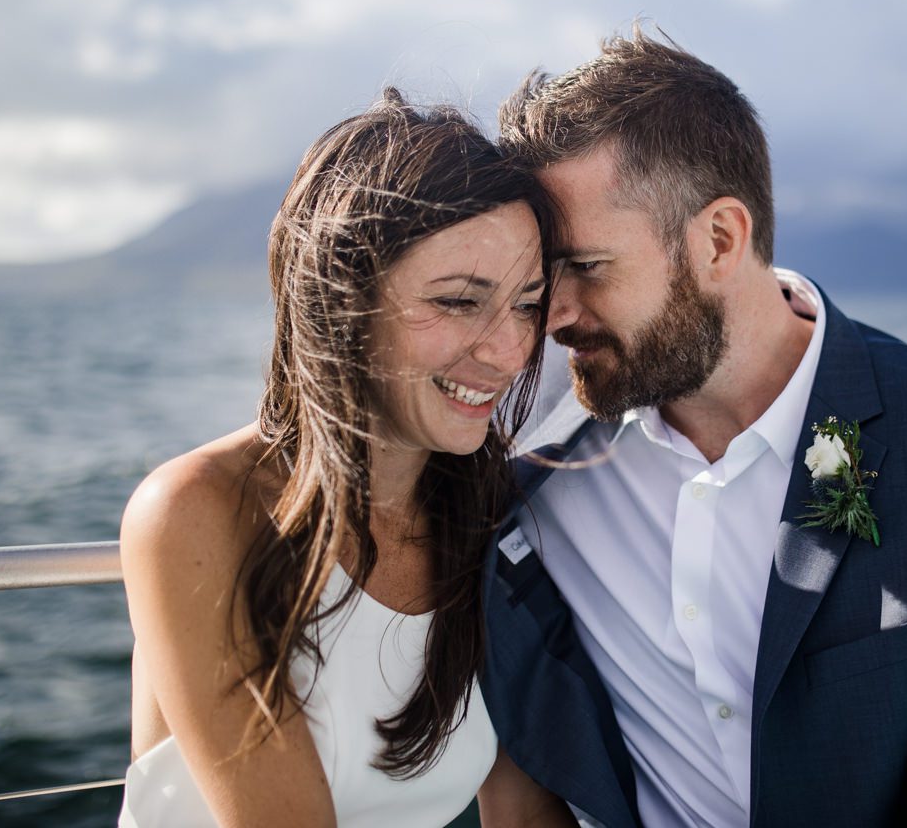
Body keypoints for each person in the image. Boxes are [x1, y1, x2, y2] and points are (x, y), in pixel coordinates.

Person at [479, 31, 907, 827]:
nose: (553, 315)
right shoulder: (514, 449)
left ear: (720, 241)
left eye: (588, 268)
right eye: (541, 277)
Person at [118, 90, 576, 827]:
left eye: (526, 304)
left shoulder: (488, 515)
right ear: (343, 297)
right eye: (460, 301)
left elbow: (523, 811)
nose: (509, 351)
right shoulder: (199, 513)